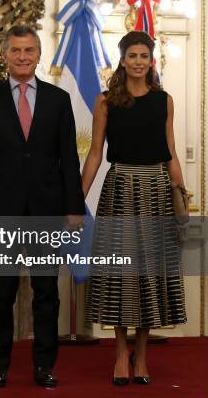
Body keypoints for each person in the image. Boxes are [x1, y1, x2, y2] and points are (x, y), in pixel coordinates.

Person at [0, 25, 85, 388]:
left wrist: (74, 207)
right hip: (1, 210)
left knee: (46, 293)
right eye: (16, 50)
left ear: (38, 55)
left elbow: (68, 157)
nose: (22, 56)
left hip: (47, 209)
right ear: (5, 55)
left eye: (29, 50)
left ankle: (44, 365)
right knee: (2, 293)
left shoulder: (57, 99)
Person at [82, 31, 187, 386]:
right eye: (132, 55)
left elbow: (170, 151)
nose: (138, 61)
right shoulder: (105, 101)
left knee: (149, 276)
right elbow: (95, 153)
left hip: (158, 190)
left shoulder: (164, 101)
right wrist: (76, 197)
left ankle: (141, 355)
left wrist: (182, 198)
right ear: (122, 59)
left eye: (144, 55)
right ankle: (119, 352)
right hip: (120, 190)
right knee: (120, 275)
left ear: (151, 60)